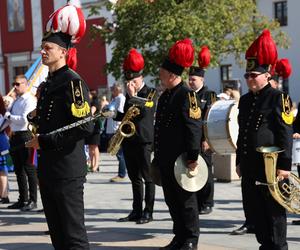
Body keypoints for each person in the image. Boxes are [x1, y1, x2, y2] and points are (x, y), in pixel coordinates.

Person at [25, 2, 93, 249]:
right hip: (48, 168)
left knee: (73, 236)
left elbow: (85, 127)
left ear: (63, 52)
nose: (43, 52)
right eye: (42, 48)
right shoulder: (48, 83)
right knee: (57, 235)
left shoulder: (72, 83)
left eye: (48, 48)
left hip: (67, 170)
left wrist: (45, 140)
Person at [235, 29, 293, 250]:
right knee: (256, 215)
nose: (249, 79)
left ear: (267, 74)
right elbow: (243, 133)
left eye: (254, 75)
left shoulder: (279, 98)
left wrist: (284, 167)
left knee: (275, 218)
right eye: (247, 76)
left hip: (272, 169)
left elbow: (284, 134)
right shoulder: (245, 101)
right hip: (250, 167)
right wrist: (239, 160)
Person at [154, 38, 202, 250]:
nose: (159, 74)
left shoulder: (187, 95)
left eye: (162, 71)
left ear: (172, 74)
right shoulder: (165, 96)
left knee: (186, 202)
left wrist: (193, 156)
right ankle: (179, 236)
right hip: (166, 158)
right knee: (172, 200)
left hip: (182, 159)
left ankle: (191, 238)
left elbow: (193, 127)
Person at [116, 48, 157, 224]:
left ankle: (148, 211)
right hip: (129, 139)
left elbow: (145, 112)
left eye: (133, 79)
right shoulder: (128, 94)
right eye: (128, 79)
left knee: (148, 177)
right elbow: (128, 115)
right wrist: (113, 115)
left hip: (144, 140)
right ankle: (136, 210)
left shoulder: (151, 92)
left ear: (140, 77)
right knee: (134, 179)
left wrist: (132, 96)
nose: (130, 82)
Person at [188, 46, 216, 215]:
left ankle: (207, 202)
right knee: (193, 171)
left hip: (203, 140)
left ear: (202, 80)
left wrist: (207, 139)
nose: (191, 82)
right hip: (191, 139)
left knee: (206, 173)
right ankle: (197, 202)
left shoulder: (210, 94)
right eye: (189, 79)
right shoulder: (187, 95)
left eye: (194, 79)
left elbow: (210, 119)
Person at [4, 75, 37, 211]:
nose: (15, 87)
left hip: (26, 135)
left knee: (28, 168)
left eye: (18, 84)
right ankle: (22, 199)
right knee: (18, 170)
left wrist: (9, 116)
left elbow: (24, 120)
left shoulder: (29, 100)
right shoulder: (16, 101)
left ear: (25, 84)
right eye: (14, 84)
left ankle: (33, 200)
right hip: (15, 136)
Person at [106, 83, 127, 182]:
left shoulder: (120, 98)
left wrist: (109, 112)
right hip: (112, 127)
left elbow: (120, 113)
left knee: (119, 153)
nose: (112, 91)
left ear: (118, 89)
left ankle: (122, 174)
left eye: (113, 89)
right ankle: (121, 173)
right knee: (118, 153)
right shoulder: (115, 99)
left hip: (117, 128)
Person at [85, 89, 100, 172]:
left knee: (95, 147)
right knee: (90, 147)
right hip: (90, 127)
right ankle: (91, 163)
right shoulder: (89, 102)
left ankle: (96, 165)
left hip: (95, 127)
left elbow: (91, 112)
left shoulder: (95, 102)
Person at [0, 93, 11, 204]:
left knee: (2, 169)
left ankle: (4, 195)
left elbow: (6, 122)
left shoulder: (3, 113)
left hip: (1, 141)